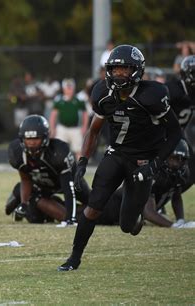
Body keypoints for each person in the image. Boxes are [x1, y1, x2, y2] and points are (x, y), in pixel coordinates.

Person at [58, 45, 182, 272]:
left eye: (125, 69)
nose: (119, 74)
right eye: (115, 69)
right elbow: (93, 131)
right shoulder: (102, 93)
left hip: (144, 160)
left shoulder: (152, 95)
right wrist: (83, 161)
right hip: (117, 154)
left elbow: (175, 133)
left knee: (127, 226)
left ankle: (136, 217)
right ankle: (74, 259)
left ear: (136, 70)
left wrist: (155, 164)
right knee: (93, 207)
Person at [5, 115, 90, 226]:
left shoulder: (58, 152)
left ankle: (58, 205)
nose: (31, 143)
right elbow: (25, 179)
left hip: (68, 182)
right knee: (35, 218)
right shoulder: (17, 153)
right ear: (22, 139)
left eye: (36, 138)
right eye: (28, 139)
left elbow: (68, 189)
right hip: (41, 185)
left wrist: (70, 218)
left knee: (92, 204)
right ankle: (20, 195)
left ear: (45, 137)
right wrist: (24, 204)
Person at [97, 139, 194, 228]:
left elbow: (176, 196)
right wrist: (175, 226)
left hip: (129, 215)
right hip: (112, 208)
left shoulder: (181, 173)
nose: (177, 164)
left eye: (182, 159)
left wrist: (180, 220)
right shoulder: (152, 171)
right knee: (88, 214)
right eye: (174, 158)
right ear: (165, 156)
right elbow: (148, 212)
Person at [165, 55, 195, 183]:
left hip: (178, 136)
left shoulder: (192, 93)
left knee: (191, 170)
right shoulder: (172, 89)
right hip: (161, 134)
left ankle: (170, 193)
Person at [49, 78, 88, 159]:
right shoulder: (59, 100)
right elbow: (53, 115)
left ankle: (79, 169)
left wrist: (84, 126)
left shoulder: (78, 99)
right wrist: (52, 128)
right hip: (62, 128)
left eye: (70, 87)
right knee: (59, 150)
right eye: (67, 87)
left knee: (78, 150)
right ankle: (60, 169)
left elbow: (85, 113)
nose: (69, 90)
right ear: (63, 89)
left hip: (75, 128)